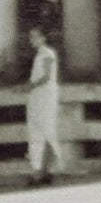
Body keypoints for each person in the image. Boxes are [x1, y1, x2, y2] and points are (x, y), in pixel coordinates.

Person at [24, 26, 65, 185]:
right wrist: (30, 87)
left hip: (46, 96)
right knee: (36, 131)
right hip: (37, 97)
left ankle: (51, 169)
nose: (32, 40)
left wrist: (31, 85)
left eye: (35, 37)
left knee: (47, 129)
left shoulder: (48, 53)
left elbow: (47, 76)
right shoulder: (39, 56)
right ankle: (38, 171)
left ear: (43, 38)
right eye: (31, 37)